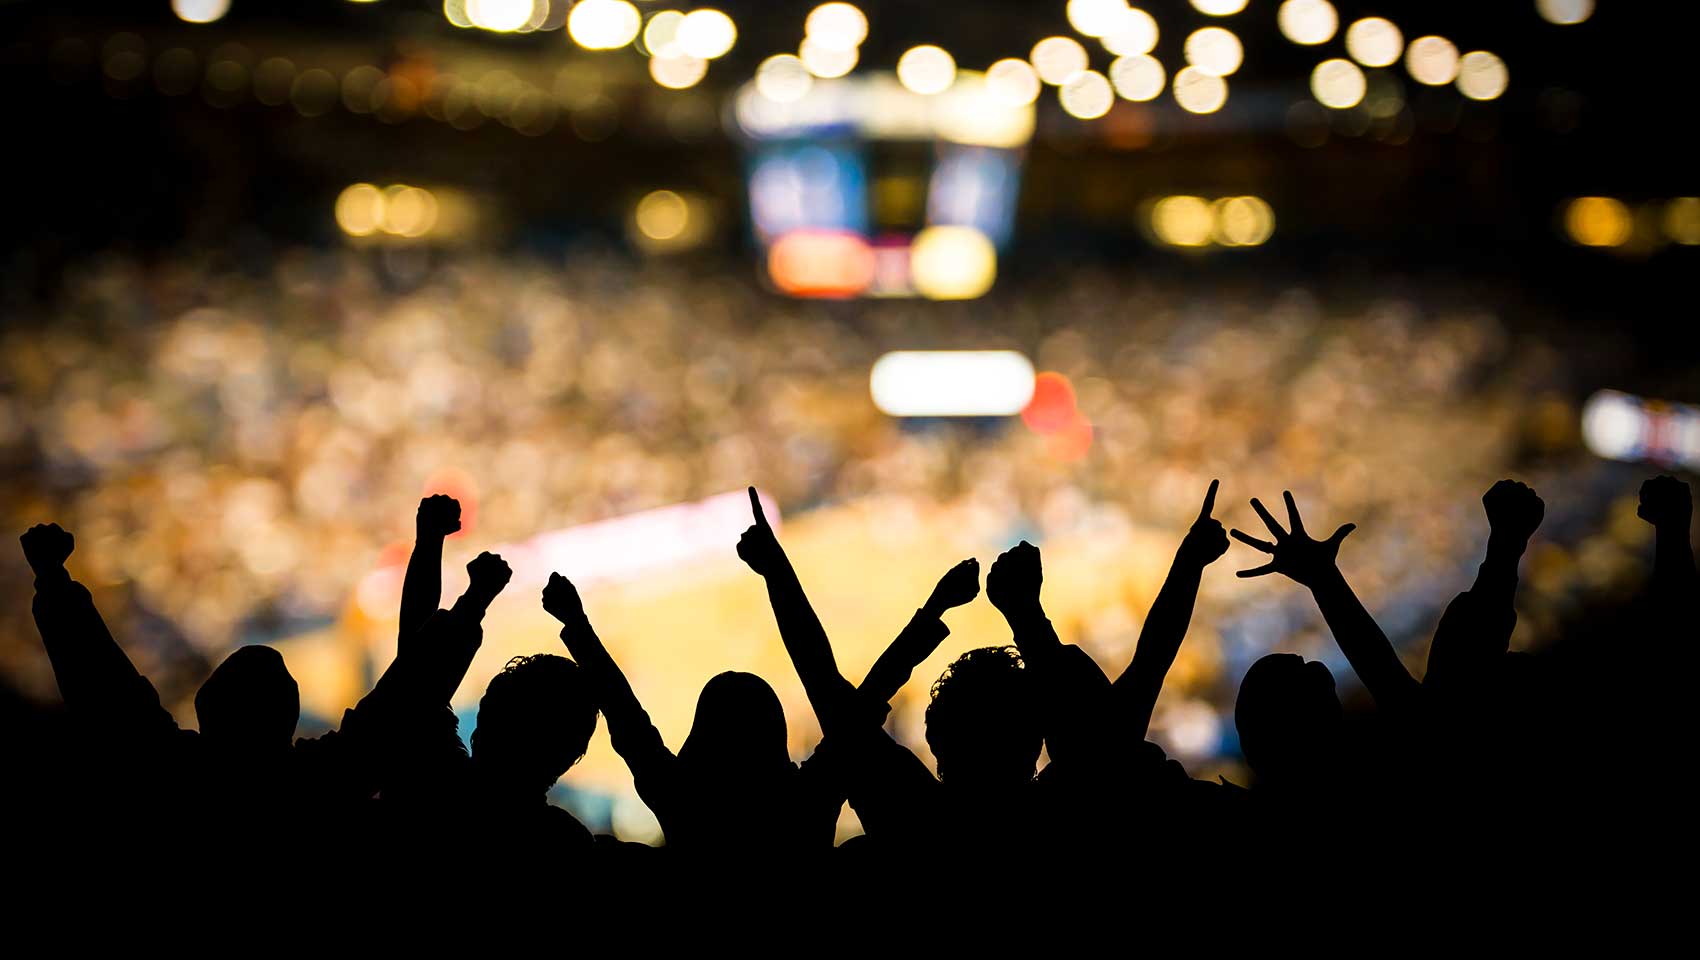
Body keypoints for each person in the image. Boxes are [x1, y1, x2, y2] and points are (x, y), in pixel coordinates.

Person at [541, 571, 840, 858]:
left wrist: (577, 624)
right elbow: (832, 691)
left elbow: (628, 720)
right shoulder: (807, 800)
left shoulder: (682, 800)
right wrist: (777, 571)